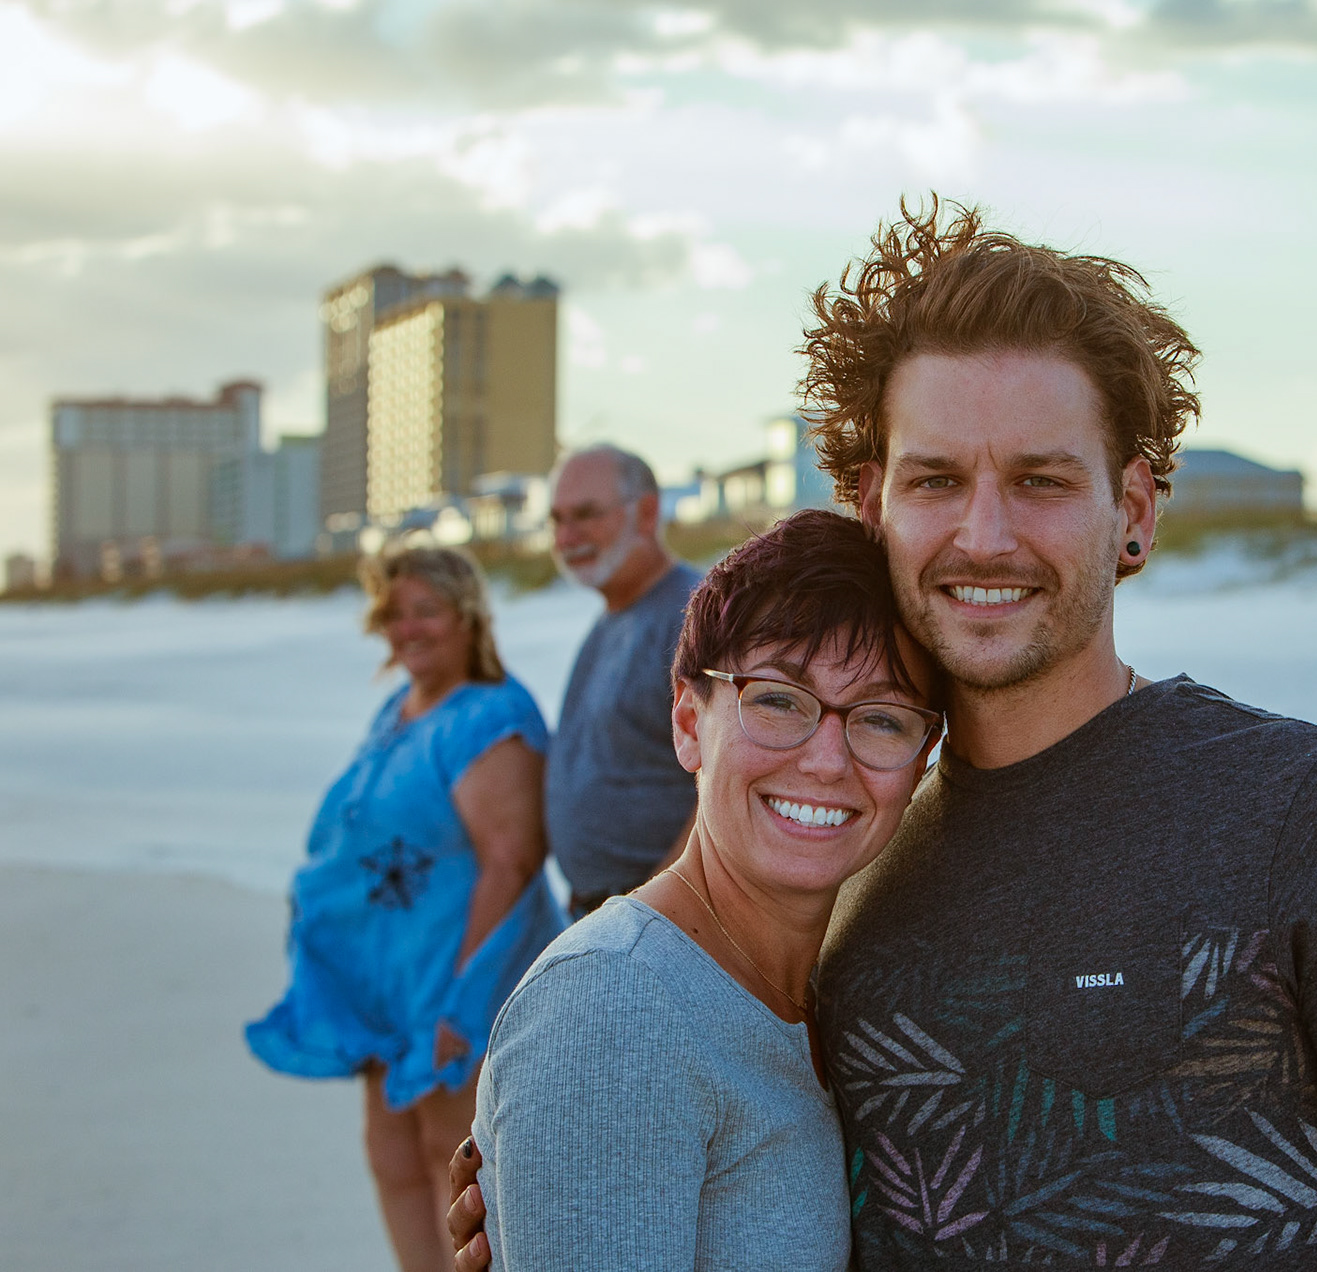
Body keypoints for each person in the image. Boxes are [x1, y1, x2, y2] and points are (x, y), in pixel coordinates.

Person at [450, 200, 1317, 1271]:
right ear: (874, 506)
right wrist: (555, 1173)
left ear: (1134, 509)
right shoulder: (835, 857)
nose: (986, 534)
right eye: (938, 479)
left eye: (1042, 480)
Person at [470, 510, 942, 1269]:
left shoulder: (829, 989)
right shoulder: (614, 1004)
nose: (826, 760)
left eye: (882, 719)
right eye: (778, 699)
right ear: (690, 722)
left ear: (922, 762)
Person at [248, 546, 563, 1272]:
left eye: (426, 611)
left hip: (452, 982)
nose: (407, 628)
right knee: (393, 1157)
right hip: (382, 987)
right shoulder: (398, 709)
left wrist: (462, 1003)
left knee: (460, 1166)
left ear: (467, 616)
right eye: (394, 613)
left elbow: (511, 862)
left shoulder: (491, 716)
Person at [545, 443, 702, 919]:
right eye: (557, 520)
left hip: (656, 924)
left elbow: (725, 784)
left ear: (647, 512)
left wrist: (650, 915)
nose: (567, 536)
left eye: (586, 514)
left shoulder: (693, 617)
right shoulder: (612, 617)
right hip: (602, 915)